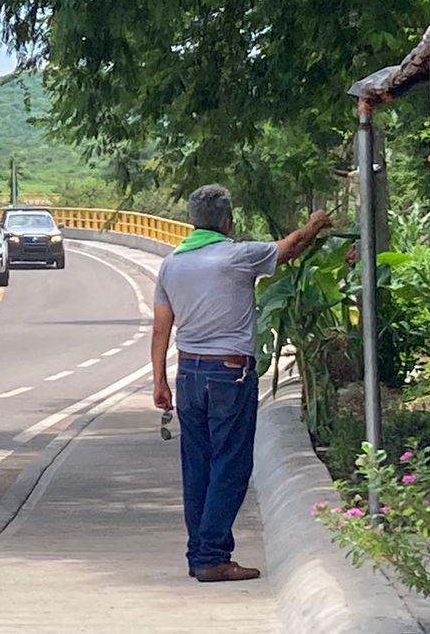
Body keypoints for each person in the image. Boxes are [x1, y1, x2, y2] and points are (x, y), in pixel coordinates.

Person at [151, 184, 329, 583]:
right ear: (228, 222)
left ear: (192, 222)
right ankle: (212, 556)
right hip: (230, 374)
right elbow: (289, 248)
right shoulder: (237, 255)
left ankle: (200, 554)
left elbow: (162, 327)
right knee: (230, 465)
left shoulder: (171, 264)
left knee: (196, 467)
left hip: (190, 376)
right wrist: (316, 224)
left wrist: (159, 380)